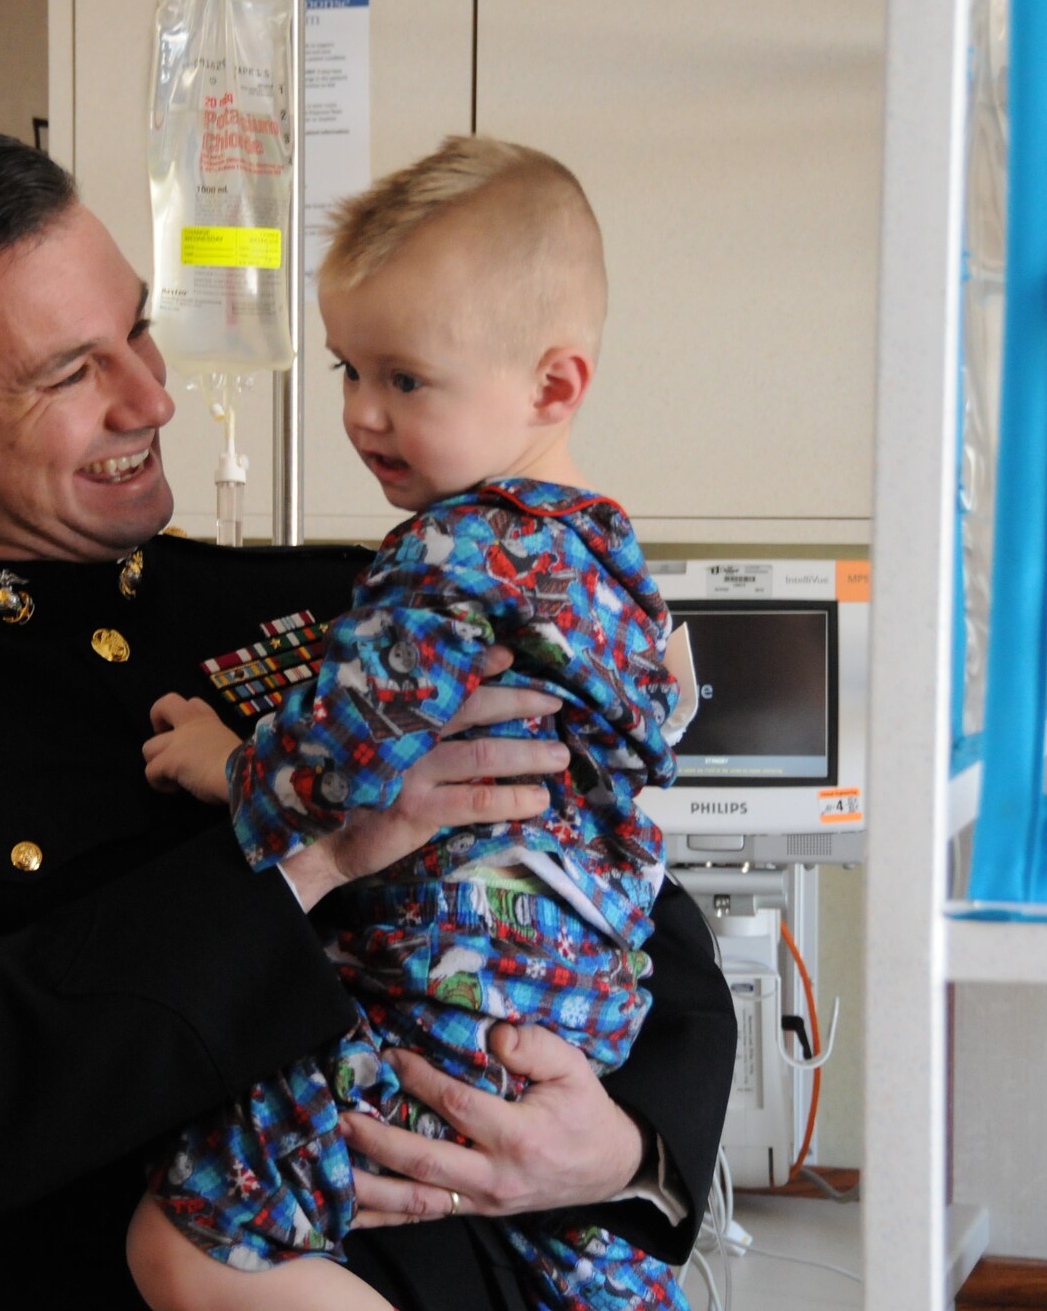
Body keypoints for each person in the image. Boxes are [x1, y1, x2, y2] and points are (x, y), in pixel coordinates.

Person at [0, 121, 736, 1310]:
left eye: (136, 330)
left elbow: (634, 912)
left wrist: (626, 1150)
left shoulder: (351, 597)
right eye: (71, 372)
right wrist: (308, 847)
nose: (152, 397)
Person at [130, 138, 693, 1311]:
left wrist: (222, 765)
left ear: (553, 385)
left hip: (443, 991)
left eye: (404, 380)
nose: (360, 415)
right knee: (561, 1242)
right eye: (347, 370)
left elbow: (339, 756)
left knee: (185, 1237)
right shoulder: (610, 561)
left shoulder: (447, 553)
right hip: (572, 1005)